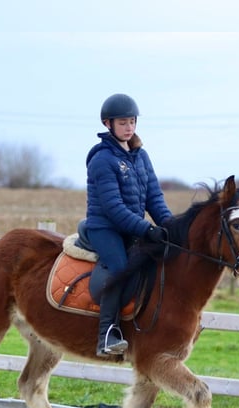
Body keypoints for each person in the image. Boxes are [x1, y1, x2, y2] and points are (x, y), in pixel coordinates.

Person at [83, 93, 172, 357]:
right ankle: (107, 336)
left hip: (131, 227)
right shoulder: (102, 159)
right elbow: (114, 209)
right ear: (107, 124)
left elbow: (154, 197)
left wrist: (170, 226)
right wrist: (147, 229)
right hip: (105, 228)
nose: (129, 127)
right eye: (123, 122)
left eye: (132, 121)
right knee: (121, 267)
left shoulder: (141, 156)